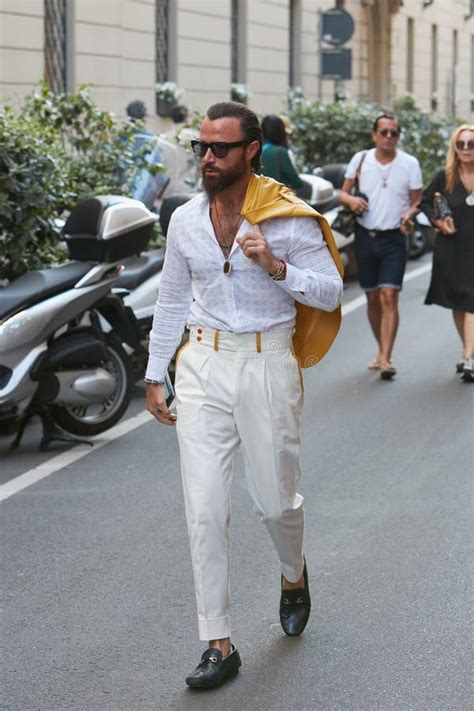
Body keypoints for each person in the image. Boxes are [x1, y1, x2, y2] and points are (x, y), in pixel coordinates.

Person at [145, 101, 343, 688]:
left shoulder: (288, 217)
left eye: (220, 148)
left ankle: (292, 572)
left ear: (250, 151)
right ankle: (218, 642)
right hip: (203, 362)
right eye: (203, 147)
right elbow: (172, 299)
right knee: (204, 509)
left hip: (267, 361)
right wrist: (158, 373)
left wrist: (277, 267)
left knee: (276, 504)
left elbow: (330, 294)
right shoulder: (184, 220)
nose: (207, 157)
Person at [339, 114, 423, 379]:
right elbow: (342, 193)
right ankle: (381, 349)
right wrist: (350, 202)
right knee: (372, 298)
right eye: (384, 132)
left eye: (394, 133)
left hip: (394, 239)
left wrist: (409, 216)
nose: (389, 137)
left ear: (398, 137)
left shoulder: (410, 164)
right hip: (365, 237)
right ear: (374, 134)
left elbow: (417, 201)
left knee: (389, 296)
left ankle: (386, 357)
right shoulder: (361, 159)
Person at [421, 124, 474, 382]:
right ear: (455, 147)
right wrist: (437, 222)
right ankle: (469, 353)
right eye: (460, 144)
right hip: (452, 247)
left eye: (471, 144)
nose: (465, 149)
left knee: (472, 301)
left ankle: (469, 358)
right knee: (458, 301)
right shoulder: (445, 175)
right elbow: (424, 201)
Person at [125, 100, 168, 208]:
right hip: (144, 199)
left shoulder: (120, 139)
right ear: (145, 117)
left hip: (121, 197)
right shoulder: (151, 141)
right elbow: (160, 177)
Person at [261, 114, 312, 199]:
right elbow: (296, 182)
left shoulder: (254, 150)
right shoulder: (280, 152)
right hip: (276, 201)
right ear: (280, 132)